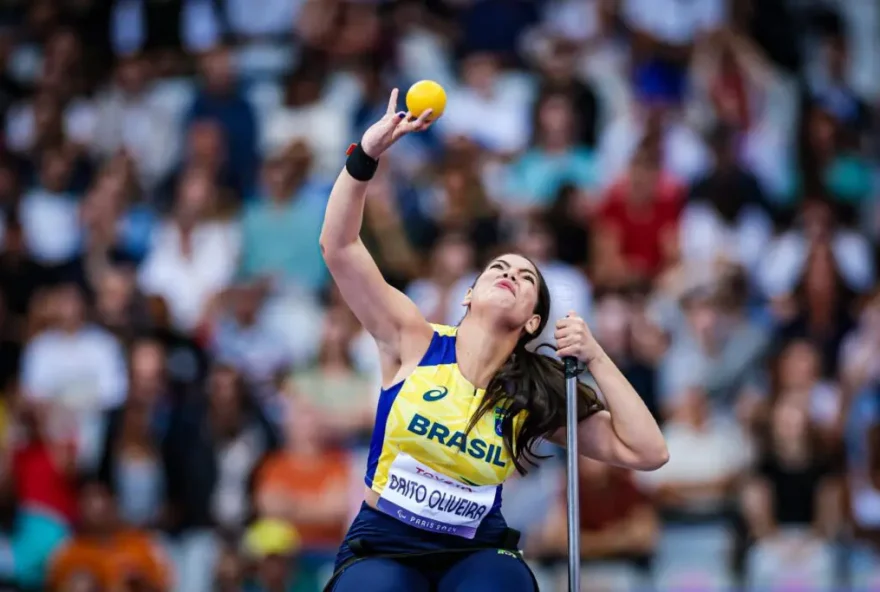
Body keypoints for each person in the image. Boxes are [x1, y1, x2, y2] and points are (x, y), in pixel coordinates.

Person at [319, 90, 669, 592]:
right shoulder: (414, 339)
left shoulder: (535, 391)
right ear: (468, 295)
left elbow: (648, 450)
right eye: (497, 268)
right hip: (384, 543)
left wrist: (596, 356)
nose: (509, 273)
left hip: (475, 554)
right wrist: (365, 156)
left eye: (526, 278)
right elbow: (339, 246)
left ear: (532, 321)